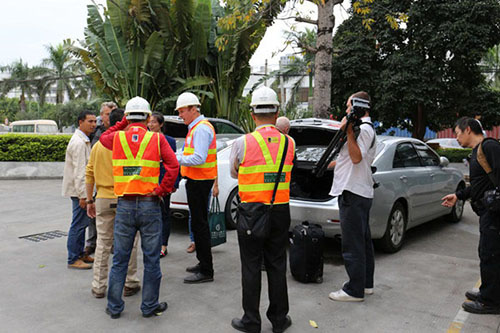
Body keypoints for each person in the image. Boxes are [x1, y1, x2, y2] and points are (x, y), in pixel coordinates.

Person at [99, 96, 179, 319]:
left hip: (124, 205)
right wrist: (162, 189)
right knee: (151, 259)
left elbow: (103, 136)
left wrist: (122, 123)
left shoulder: (116, 138)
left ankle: (114, 307)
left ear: (127, 117)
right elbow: (173, 165)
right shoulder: (156, 139)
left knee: (120, 259)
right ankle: (149, 307)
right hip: (150, 205)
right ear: (147, 116)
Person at [229, 86, 295, 333]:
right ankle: (279, 320)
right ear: (277, 112)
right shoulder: (290, 142)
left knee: (251, 266)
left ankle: (251, 321)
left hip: (251, 212)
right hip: (279, 211)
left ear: (253, 114)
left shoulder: (242, 142)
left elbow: (234, 172)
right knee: (277, 264)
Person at [442, 117, 500, 315]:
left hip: (494, 213)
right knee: (488, 253)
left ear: (468, 130)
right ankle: (489, 292)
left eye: (457, 133)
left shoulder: (489, 146)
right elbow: (477, 185)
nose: (456, 138)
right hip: (487, 211)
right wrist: (458, 196)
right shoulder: (477, 152)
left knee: (490, 254)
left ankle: (490, 301)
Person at [85, 108, 141, 299]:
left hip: (102, 198)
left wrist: (89, 199)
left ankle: (98, 286)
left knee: (102, 243)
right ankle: (130, 282)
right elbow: (133, 171)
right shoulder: (126, 145)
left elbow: (89, 173)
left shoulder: (98, 146)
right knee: (130, 242)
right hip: (125, 198)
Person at [327, 91, 376, 302]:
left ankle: (353, 290)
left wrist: (348, 132)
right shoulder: (363, 129)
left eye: (348, 107)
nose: (346, 111)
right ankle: (365, 284)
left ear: (358, 106)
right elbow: (354, 159)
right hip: (358, 190)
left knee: (353, 243)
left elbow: (356, 157)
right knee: (363, 241)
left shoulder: (363, 129)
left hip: (353, 192)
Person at [176, 92, 217, 284]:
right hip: (197, 181)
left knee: (200, 226)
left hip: (200, 182)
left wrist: (175, 159)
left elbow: (199, 158)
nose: (180, 115)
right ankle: (203, 263)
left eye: (182, 111)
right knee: (198, 225)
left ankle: (206, 270)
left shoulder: (201, 129)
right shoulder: (196, 128)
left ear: (193, 109)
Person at [62, 110, 97, 269]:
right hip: (79, 192)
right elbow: (80, 172)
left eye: (94, 121)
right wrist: (84, 196)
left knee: (82, 224)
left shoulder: (83, 140)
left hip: (80, 191)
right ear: (80, 122)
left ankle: (80, 253)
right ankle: (73, 258)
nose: (93, 124)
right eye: (90, 121)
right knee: (78, 224)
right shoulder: (78, 143)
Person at [86, 102, 118, 256]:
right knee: (94, 219)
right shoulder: (97, 134)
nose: (109, 117)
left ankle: (112, 245)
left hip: (117, 189)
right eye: (106, 114)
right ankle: (92, 242)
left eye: (112, 113)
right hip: (100, 186)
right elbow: (90, 165)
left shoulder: (122, 136)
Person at [147, 112, 178, 257]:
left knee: (164, 213)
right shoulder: (144, 139)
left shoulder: (169, 141)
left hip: (164, 180)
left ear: (160, 124)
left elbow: (173, 164)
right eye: (149, 122)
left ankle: (163, 244)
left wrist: (174, 183)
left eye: (154, 122)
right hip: (148, 182)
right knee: (150, 214)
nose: (151, 124)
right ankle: (152, 244)